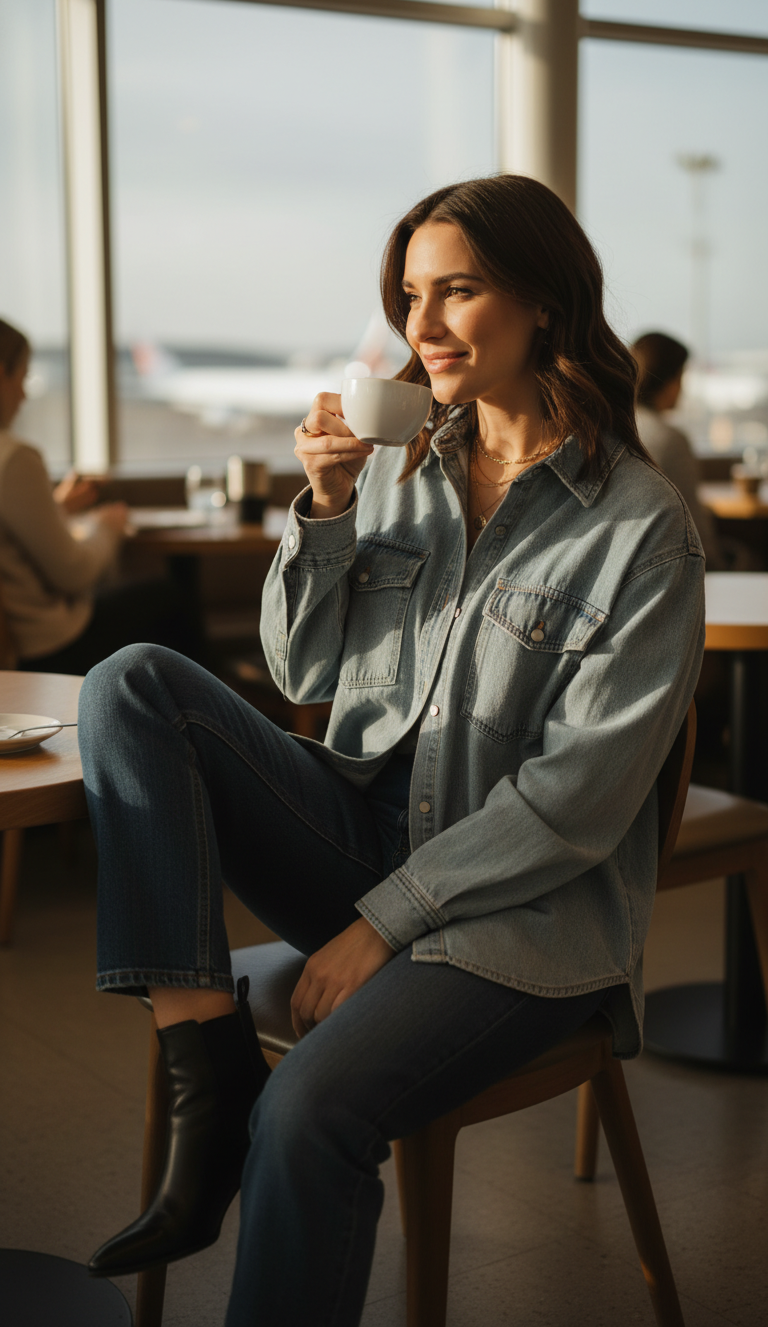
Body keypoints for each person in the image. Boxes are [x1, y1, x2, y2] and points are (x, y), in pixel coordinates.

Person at [79, 176, 705, 1327]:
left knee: (313, 1110)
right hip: (364, 842)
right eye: (410, 295)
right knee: (131, 685)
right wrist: (322, 508)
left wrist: (387, 920)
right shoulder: (402, 469)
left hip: (527, 921)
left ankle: (251, 1107)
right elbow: (303, 678)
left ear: (544, 305)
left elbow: (577, 802)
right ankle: (205, 1066)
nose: (420, 326)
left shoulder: (640, 527)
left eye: (456, 291)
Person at [0, 318, 201, 672]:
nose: (24, 393)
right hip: (46, 644)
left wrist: (56, 507)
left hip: (17, 642)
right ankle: (221, 721)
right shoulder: (14, 458)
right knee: (170, 598)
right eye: (22, 377)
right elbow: (72, 574)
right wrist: (105, 526)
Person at [632, 330, 724, 568]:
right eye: (682, 377)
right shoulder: (671, 440)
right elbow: (697, 530)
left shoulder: (607, 428)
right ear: (670, 381)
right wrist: (718, 564)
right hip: (672, 568)